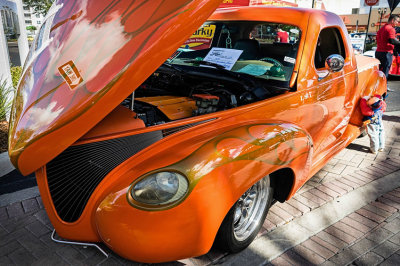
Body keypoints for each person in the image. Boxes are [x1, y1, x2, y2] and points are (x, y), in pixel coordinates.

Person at [376, 14, 400, 91]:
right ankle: (383, 88)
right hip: (386, 53)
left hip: (379, 52)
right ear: (393, 20)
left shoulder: (382, 28)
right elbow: (391, 40)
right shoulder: (391, 29)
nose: (397, 23)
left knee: (379, 71)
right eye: (397, 21)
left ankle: (377, 86)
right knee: (385, 71)